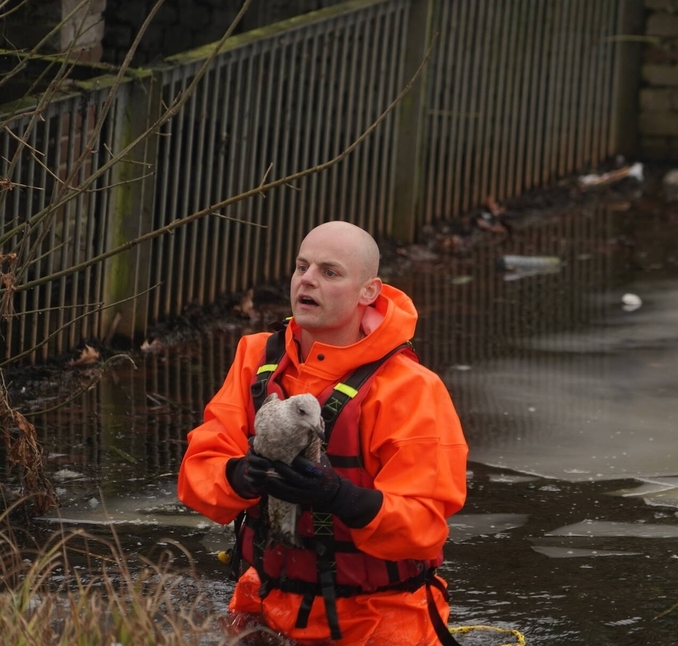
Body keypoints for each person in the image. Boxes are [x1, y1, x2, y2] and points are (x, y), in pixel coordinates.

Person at [178, 221, 469, 645]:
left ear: (368, 292)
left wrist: (339, 497)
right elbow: (197, 473)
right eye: (302, 267)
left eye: (330, 272)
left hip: (378, 622)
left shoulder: (411, 388)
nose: (307, 280)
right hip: (261, 608)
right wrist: (239, 476)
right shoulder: (257, 358)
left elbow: (423, 525)